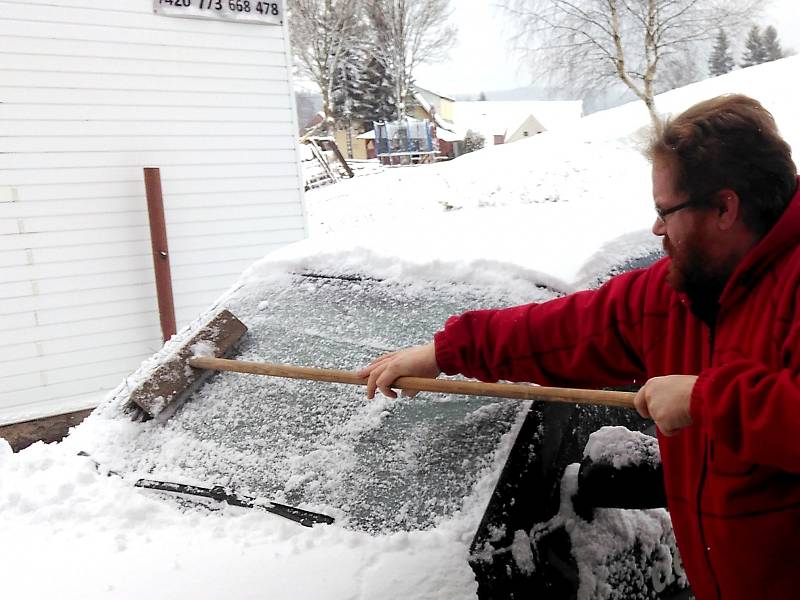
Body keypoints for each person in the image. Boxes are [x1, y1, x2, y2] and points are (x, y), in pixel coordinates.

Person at [357, 94, 800, 600]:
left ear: (725, 207)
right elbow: (563, 331)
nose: (657, 228)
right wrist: (445, 352)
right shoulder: (677, 292)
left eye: (665, 211)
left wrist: (707, 400)